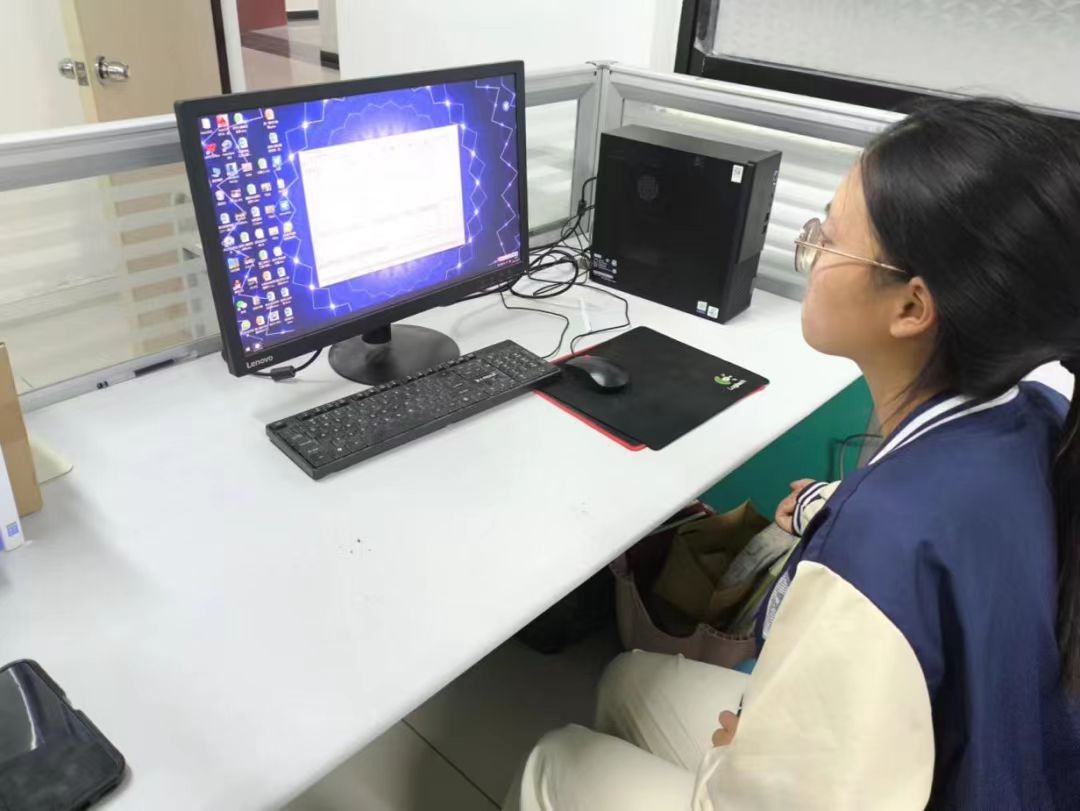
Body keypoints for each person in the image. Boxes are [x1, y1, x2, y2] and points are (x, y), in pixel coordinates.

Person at [505, 97, 1080, 810]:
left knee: (557, 758)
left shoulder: (878, 550)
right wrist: (824, 506)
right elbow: (948, 546)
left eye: (829, 240)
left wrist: (734, 762)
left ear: (911, 308)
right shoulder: (1038, 417)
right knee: (628, 679)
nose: (809, 252)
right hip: (971, 756)